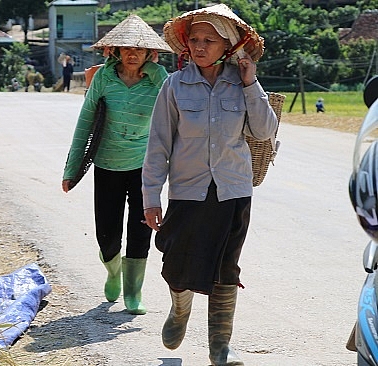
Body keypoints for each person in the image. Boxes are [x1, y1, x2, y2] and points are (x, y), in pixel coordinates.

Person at [142, 4, 278, 365]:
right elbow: (158, 145)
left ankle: (220, 347)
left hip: (233, 190)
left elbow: (265, 131)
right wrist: (150, 197)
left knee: (225, 267)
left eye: (209, 40)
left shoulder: (243, 84)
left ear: (229, 46)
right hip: (187, 191)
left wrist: (251, 83)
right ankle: (180, 307)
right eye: (195, 40)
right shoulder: (174, 86)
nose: (199, 46)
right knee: (176, 262)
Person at [62, 14, 172, 315]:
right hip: (108, 164)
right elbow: (85, 123)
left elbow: (174, 108)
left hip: (145, 168)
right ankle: (112, 270)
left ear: (151, 53)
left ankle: (133, 292)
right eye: (125, 48)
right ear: (115, 51)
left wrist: (155, 69)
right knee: (107, 234)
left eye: (139, 49)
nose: (132, 53)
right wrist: (72, 169)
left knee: (142, 230)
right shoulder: (104, 78)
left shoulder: (159, 79)